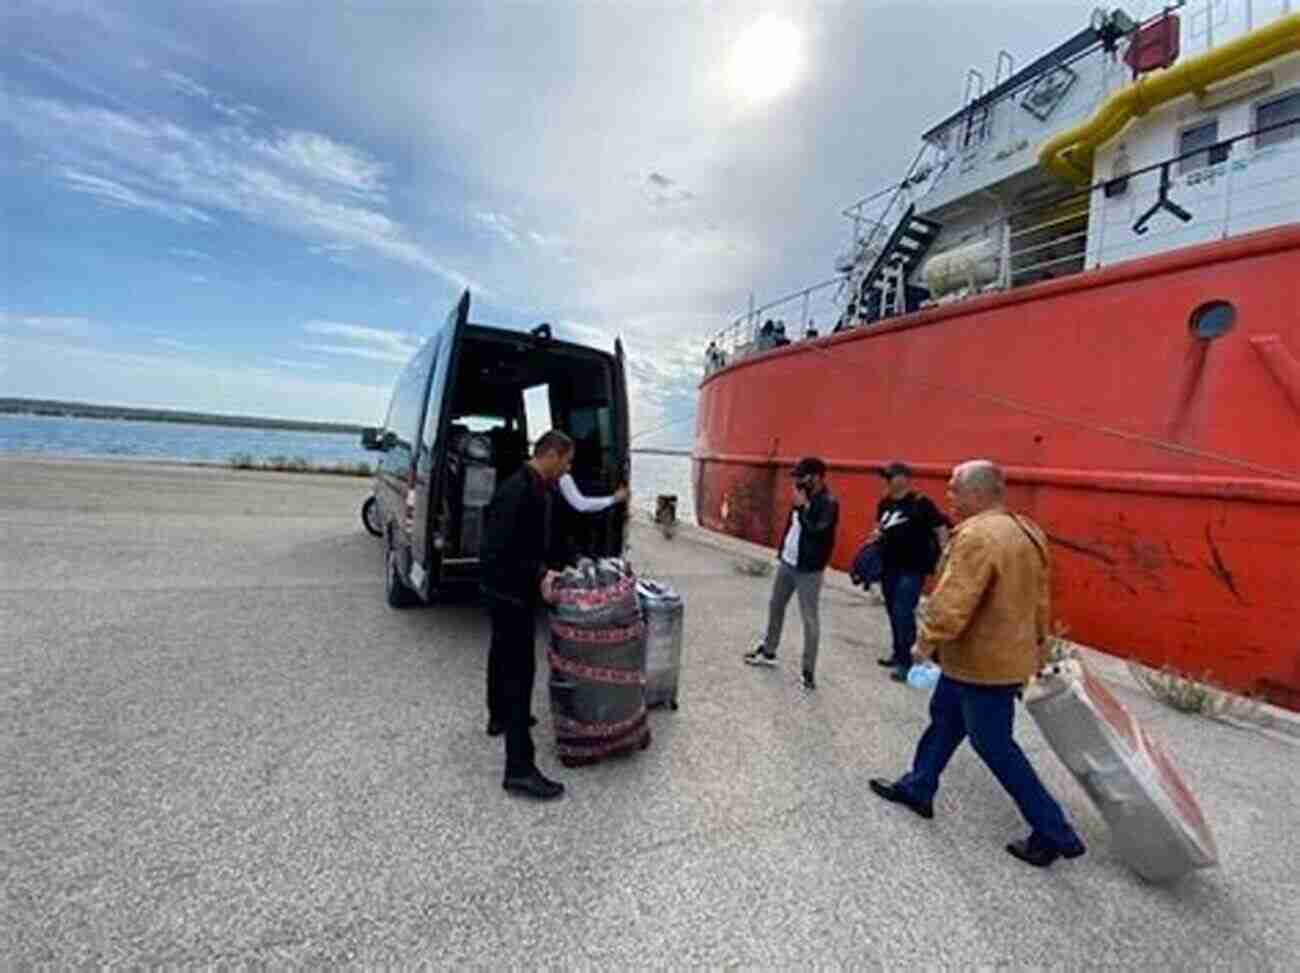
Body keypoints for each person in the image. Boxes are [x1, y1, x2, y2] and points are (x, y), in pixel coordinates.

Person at [868, 460, 1087, 868]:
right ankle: (919, 787)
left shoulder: (977, 537)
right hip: (1001, 656)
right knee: (945, 719)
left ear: (978, 493)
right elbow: (1040, 599)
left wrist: (924, 642)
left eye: (954, 490)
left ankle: (1054, 831)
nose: (948, 497)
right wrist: (1036, 650)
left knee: (994, 744)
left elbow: (953, 602)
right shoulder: (1026, 530)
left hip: (982, 661)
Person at [480, 429, 575, 801]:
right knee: (520, 675)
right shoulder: (515, 491)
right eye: (566, 461)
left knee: (500, 657)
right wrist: (539, 574)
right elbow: (497, 551)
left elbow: (541, 539)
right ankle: (519, 770)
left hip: (510, 592)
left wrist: (569, 561)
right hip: (507, 593)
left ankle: (498, 716)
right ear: (550, 454)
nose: (567, 469)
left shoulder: (538, 487)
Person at [743, 456, 840, 690]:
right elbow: (793, 528)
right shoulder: (800, 494)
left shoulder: (828, 503)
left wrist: (804, 506)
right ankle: (769, 650)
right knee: (776, 605)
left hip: (809, 569)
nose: (796, 480)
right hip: (788, 562)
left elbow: (819, 532)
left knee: (809, 618)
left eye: (801, 476)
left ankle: (808, 671)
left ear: (815, 477)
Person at [873, 461, 950, 682]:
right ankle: (898, 653)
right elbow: (880, 527)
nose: (886, 480)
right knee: (892, 610)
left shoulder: (921, 503)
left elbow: (940, 528)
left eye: (890, 476)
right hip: (889, 565)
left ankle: (907, 662)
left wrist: (945, 557)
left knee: (903, 611)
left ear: (904, 479)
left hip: (913, 567)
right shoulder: (884, 503)